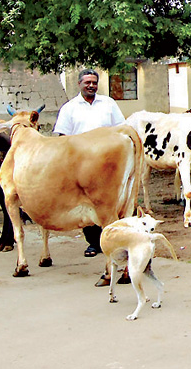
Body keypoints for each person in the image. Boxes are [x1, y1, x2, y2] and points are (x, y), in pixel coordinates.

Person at [53, 68, 125, 260]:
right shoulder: (69, 108)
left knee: (108, 202)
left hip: (108, 163)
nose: (91, 86)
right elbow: (62, 137)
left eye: (94, 82)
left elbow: (121, 129)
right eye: (88, 83)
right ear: (80, 84)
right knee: (87, 203)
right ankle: (94, 243)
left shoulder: (108, 104)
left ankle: (111, 241)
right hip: (81, 165)